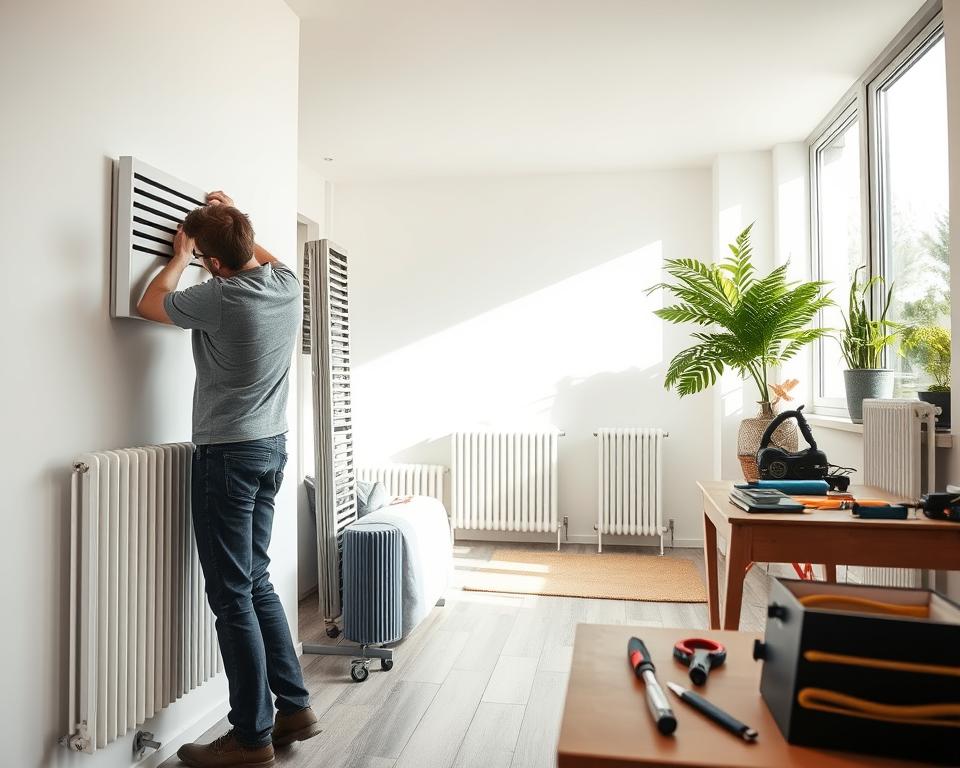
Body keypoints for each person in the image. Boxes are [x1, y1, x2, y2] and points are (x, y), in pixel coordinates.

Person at [138, 191, 319, 767]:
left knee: (232, 595)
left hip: (227, 457)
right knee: (256, 581)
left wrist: (179, 253)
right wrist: (231, 223)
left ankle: (251, 738)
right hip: (270, 448)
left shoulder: (218, 298)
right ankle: (294, 707)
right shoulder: (286, 284)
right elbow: (261, 260)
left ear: (211, 263)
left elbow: (150, 303)